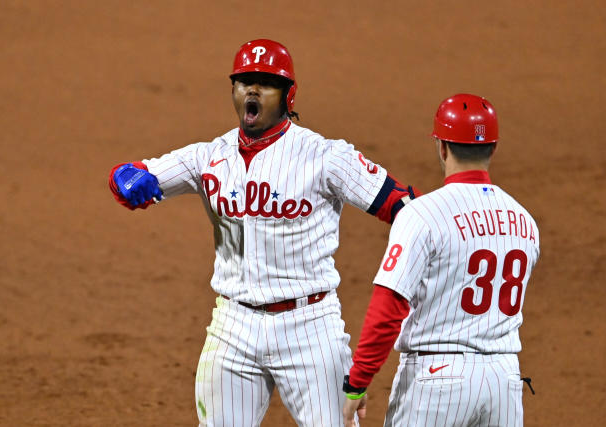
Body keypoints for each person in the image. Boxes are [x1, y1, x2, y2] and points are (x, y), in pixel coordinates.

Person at [108, 39, 419, 426]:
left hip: (310, 326)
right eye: (244, 81)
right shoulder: (209, 157)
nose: (252, 90)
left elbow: (408, 208)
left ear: (288, 95)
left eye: (266, 82)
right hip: (233, 326)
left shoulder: (325, 156)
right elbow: (132, 175)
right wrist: (126, 179)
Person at [342, 94, 540, 427]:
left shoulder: (422, 214)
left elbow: (389, 307)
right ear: (493, 148)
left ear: (442, 147)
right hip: (504, 380)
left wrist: (357, 383)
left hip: (437, 380)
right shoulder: (525, 222)